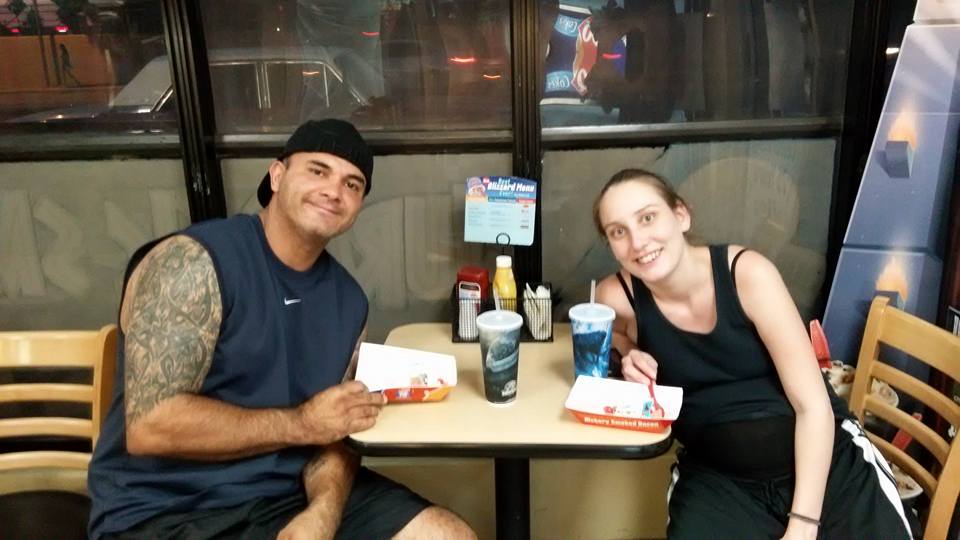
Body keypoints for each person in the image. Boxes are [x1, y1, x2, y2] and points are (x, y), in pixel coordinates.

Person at [88, 119, 477, 540]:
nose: (334, 191)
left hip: (288, 495)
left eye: (352, 184)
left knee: (447, 535)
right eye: (317, 170)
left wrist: (322, 514)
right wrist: (301, 424)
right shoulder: (192, 263)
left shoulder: (349, 302)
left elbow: (334, 434)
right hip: (165, 510)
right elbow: (151, 426)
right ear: (276, 176)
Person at [592, 168, 912, 539]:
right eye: (618, 231)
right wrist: (628, 351)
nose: (637, 241)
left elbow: (813, 407)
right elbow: (604, 335)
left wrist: (803, 525)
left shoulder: (749, 276)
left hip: (824, 463)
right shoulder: (617, 296)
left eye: (647, 218)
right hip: (718, 479)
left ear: (681, 215)